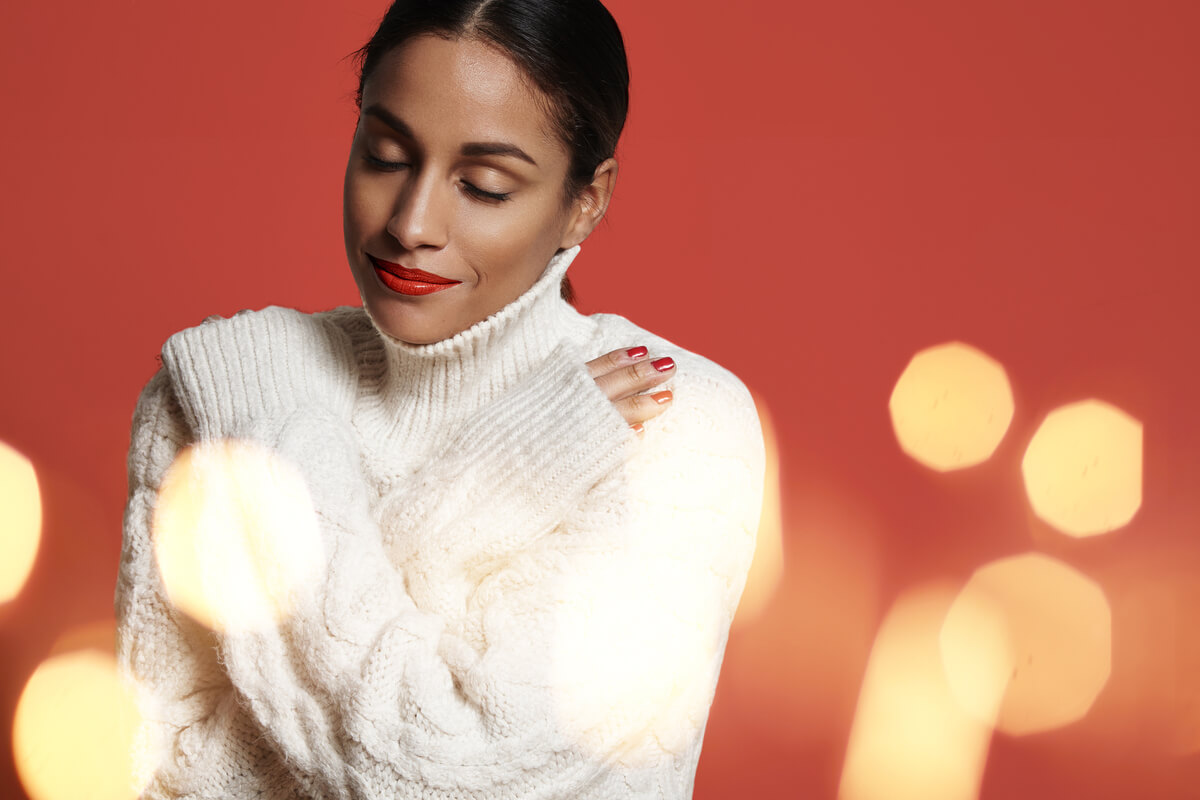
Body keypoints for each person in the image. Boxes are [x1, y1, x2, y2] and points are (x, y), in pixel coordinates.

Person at [114, 0, 765, 797]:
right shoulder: (211, 399)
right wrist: (503, 486)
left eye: (484, 187)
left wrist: (272, 443)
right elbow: (163, 777)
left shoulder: (673, 422)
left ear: (585, 201)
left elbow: (444, 772)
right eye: (385, 156)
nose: (412, 224)